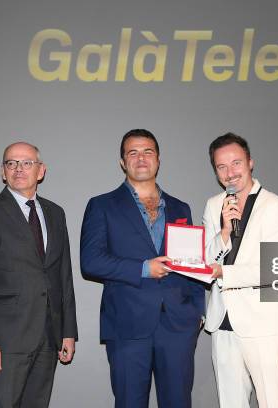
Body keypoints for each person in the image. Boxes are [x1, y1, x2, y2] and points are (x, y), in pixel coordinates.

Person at [80, 129, 205, 408]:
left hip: (177, 326)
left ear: (158, 159)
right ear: (123, 162)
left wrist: (198, 310)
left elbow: (191, 264)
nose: (141, 158)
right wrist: (143, 268)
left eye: (148, 151)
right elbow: (90, 261)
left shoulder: (180, 207)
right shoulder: (102, 205)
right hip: (127, 323)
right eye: (132, 152)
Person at [0, 142, 78, 408]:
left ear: (41, 171)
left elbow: (64, 276)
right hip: (4, 342)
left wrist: (68, 332)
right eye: (11, 163)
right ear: (3, 172)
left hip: (49, 338)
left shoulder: (55, 213)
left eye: (26, 163)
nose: (18, 169)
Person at [203, 133, 278, 408]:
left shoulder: (274, 206)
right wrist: (226, 231)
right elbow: (208, 260)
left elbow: (272, 269)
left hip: (263, 323)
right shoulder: (214, 204)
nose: (230, 173)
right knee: (230, 403)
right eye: (221, 167)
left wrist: (224, 274)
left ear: (250, 162)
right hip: (222, 322)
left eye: (236, 163)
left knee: (272, 402)